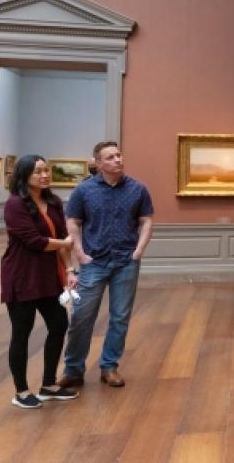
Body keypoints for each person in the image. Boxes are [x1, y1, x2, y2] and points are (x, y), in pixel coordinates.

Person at [57, 141, 154, 389]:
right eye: (110, 157)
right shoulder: (84, 190)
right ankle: (74, 369)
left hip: (126, 261)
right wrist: (79, 251)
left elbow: (146, 221)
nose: (117, 160)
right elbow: (73, 222)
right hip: (94, 262)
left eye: (119, 155)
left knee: (120, 317)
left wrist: (139, 250)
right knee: (81, 316)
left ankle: (109, 366)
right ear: (98, 163)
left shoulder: (138, 189)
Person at [1, 155, 80, 408]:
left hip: (48, 276)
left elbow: (61, 236)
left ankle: (48, 384)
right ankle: (21, 392)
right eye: (38, 172)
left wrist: (69, 269)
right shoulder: (15, 204)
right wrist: (66, 243)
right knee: (21, 333)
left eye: (47, 171)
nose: (45, 175)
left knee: (59, 324)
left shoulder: (54, 202)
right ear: (24, 176)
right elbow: (34, 241)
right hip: (22, 275)